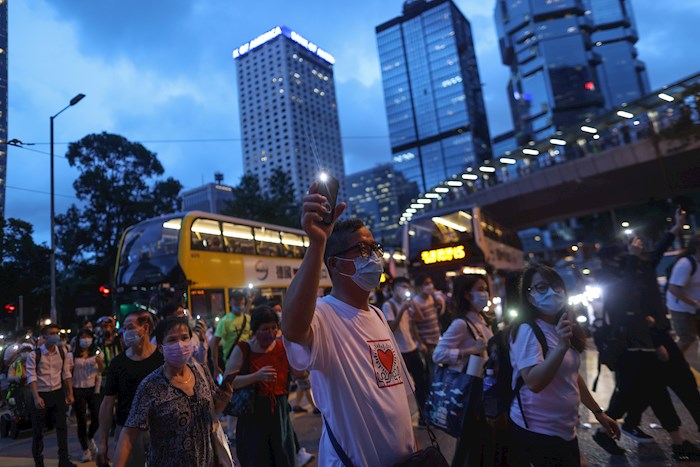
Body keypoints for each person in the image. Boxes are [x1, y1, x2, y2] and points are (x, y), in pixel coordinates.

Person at [282, 184, 415, 466]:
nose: (374, 257)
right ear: (335, 264)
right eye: (363, 249)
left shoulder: (377, 315)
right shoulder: (324, 315)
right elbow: (292, 329)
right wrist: (317, 243)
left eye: (375, 248)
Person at [509, 265, 619, 467]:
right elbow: (533, 382)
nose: (552, 292)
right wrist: (561, 346)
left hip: (564, 429)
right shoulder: (527, 330)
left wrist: (598, 412)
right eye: (541, 287)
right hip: (539, 430)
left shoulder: (558, 325)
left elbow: (571, 375)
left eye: (555, 285)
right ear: (530, 296)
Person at [114, 317, 234, 467]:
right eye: (172, 340)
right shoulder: (151, 385)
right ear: (160, 348)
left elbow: (210, 414)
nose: (180, 344)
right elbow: (129, 435)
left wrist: (223, 400)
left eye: (184, 338)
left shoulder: (201, 372)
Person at [224, 306, 297, 466]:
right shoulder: (243, 349)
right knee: (257, 458)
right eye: (265, 329)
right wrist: (256, 376)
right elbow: (229, 381)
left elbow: (299, 371)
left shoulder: (283, 347)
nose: (270, 333)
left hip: (279, 412)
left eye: (274, 328)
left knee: (283, 457)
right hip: (253, 415)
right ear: (255, 330)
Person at [433, 274, 493, 467]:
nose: (485, 294)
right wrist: (470, 350)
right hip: (469, 393)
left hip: (483, 390)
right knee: (470, 444)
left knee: (474, 444)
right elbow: (438, 355)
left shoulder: (482, 319)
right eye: (480, 289)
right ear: (467, 295)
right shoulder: (461, 324)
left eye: (485, 289)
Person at [96, 311, 163, 467]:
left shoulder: (162, 359)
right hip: (126, 431)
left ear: (145, 328)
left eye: (130, 327)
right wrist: (102, 442)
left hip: (158, 429)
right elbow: (107, 404)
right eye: (124, 329)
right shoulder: (118, 363)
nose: (125, 332)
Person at [26, 324, 76, 467]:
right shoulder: (34, 355)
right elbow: (31, 377)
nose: (56, 336)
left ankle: (64, 460)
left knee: (62, 428)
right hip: (41, 394)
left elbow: (66, 373)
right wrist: (36, 397)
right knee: (38, 430)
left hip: (57, 393)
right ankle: (39, 461)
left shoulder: (62, 352)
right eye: (52, 333)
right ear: (44, 337)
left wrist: (70, 393)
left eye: (57, 333)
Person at [381, 276, 427, 427]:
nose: (404, 290)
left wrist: (413, 305)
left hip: (412, 348)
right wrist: (402, 309)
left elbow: (419, 319)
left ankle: (423, 416)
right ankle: (402, 420)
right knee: (401, 388)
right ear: (393, 289)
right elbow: (391, 328)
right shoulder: (388, 305)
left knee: (421, 383)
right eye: (401, 286)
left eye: (407, 287)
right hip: (399, 352)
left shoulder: (408, 304)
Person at [71, 328, 104, 462]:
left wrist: (100, 363)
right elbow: (68, 372)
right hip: (77, 388)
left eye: (88, 337)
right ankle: (85, 450)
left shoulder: (97, 352)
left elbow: (101, 370)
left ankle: (89, 437)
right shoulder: (72, 355)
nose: (86, 340)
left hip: (93, 388)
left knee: (96, 418)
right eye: (83, 337)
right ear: (78, 339)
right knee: (82, 420)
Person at [667, 232, 700, 354]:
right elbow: (673, 288)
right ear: (697, 247)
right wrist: (694, 303)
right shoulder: (685, 264)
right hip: (682, 308)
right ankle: (672, 361)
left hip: (695, 307)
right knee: (687, 338)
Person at [211, 291, 252, 378]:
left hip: (248, 361)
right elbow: (215, 344)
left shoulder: (248, 319)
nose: (239, 303)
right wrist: (215, 366)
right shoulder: (225, 321)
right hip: (231, 363)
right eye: (236, 300)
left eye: (241, 300)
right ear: (230, 302)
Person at [411, 274, 445, 362]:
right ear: (419, 287)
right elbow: (413, 326)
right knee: (432, 365)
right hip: (426, 341)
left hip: (437, 338)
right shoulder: (416, 302)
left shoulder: (432, 297)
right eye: (426, 283)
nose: (430, 286)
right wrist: (420, 343)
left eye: (430, 283)